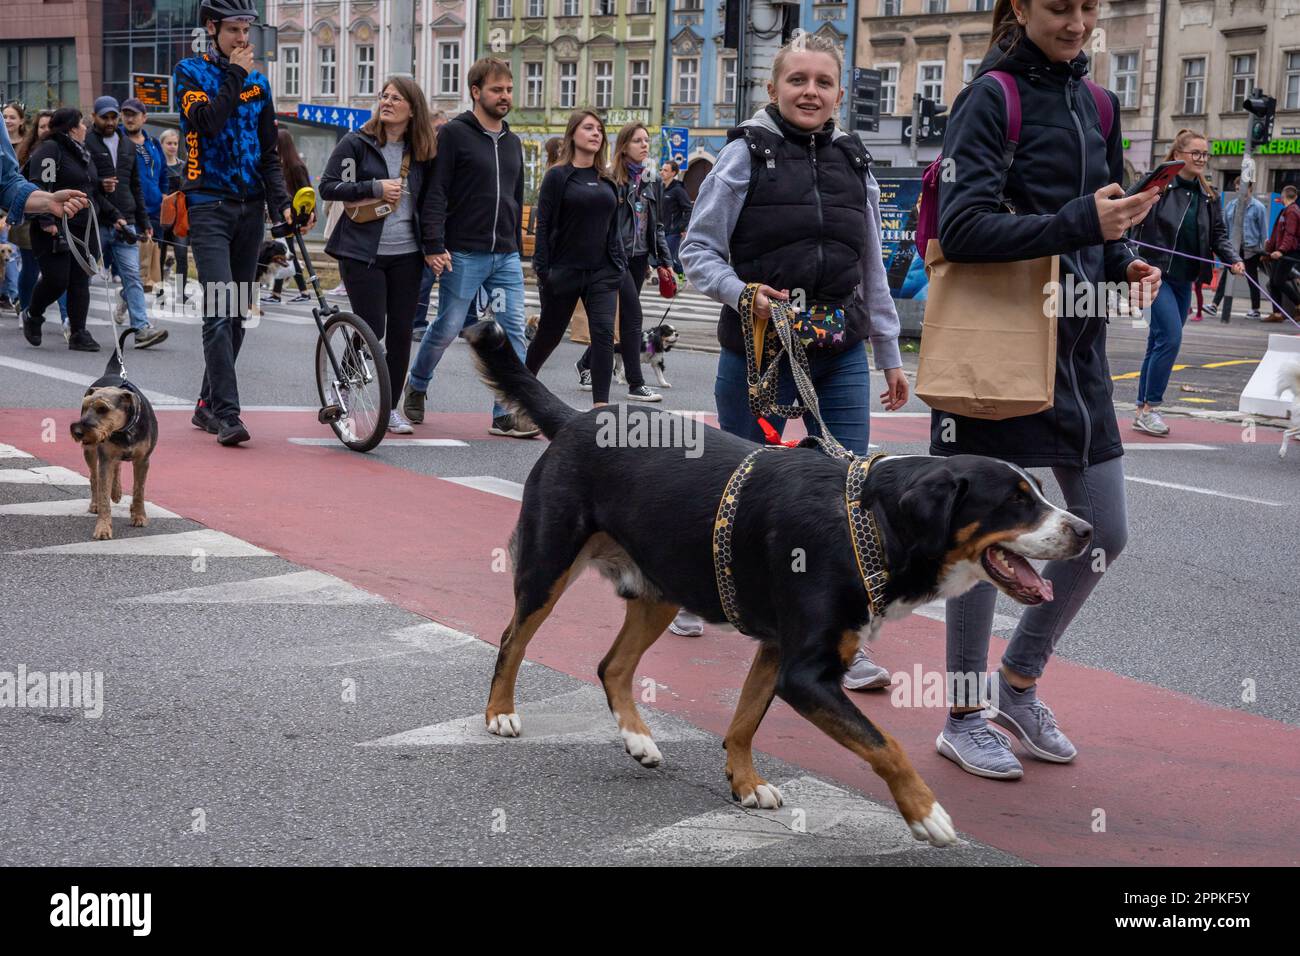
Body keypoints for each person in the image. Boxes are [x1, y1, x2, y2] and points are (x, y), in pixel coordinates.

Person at [930, 0, 1164, 778]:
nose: (1076, 21)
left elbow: (1103, 213)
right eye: (1059, 7)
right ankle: (963, 714)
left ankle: (1017, 683)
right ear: (1021, 8)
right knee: (982, 543)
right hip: (999, 350)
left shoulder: (1098, 100)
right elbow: (961, 229)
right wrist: (1077, 226)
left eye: (1088, 6)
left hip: (1079, 354)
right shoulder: (991, 96)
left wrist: (1123, 255)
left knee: (1108, 530)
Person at [676, 32, 908, 661]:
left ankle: (837, 641)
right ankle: (694, 591)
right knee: (740, 485)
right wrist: (741, 292)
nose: (810, 92)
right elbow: (696, 250)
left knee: (846, 495)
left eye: (823, 82)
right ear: (773, 88)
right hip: (760, 351)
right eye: (797, 80)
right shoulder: (745, 155)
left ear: (838, 93)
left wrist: (889, 353)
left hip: (839, 349)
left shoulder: (854, 161)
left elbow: (872, 269)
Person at [174, 0, 293, 446]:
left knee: (238, 310)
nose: (243, 39)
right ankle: (227, 413)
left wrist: (280, 203)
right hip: (208, 204)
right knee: (220, 307)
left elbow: (269, 152)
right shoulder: (190, 72)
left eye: (247, 30)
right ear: (212, 29)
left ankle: (206, 404)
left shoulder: (259, 83)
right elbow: (206, 122)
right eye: (234, 31)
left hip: (251, 207)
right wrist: (235, 75)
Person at [403, 57, 537, 438]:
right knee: (447, 327)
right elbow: (436, 193)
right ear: (476, 91)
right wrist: (434, 244)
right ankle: (417, 383)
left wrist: (517, 244)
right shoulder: (455, 135)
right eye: (497, 90)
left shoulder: (512, 142)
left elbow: (514, 196)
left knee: (512, 330)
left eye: (509, 90)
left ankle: (505, 412)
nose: (505, 96)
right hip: (463, 252)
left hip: (505, 256)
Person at [320, 75, 439, 435]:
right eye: (384, 96)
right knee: (372, 324)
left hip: (408, 253)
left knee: (402, 332)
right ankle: (343, 385)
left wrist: (434, 246)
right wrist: (373, 187)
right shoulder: (357, 143)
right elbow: (328, 186)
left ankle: (388, 408)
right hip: (361, 252)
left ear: (412, 108)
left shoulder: (421, 153)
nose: (387, 102)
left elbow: (432, 203)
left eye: (396, 98)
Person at [1130, 129, 1242, 435]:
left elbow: (1218, 234)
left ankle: (1141, 408)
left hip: (1184, 279)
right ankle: (1152, 407)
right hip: (1154, 275)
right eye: (1196, 153)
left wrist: (1232, 258)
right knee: (1170, 337)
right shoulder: (1160, 187)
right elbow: (1129, 205)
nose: (1202, 159)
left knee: (1158, 341)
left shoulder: (1209, 196)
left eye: (1205, 154)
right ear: (1178, 155)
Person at [524, 110, 626, 406]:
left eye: (600, 130)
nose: (596, 134)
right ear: (573, 134)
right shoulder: (558, 176)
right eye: (589, 128)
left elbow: (613, 227)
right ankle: (521, 392)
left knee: (604, 336)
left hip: (602, 273)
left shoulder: (607, 179)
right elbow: (543, 226)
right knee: (549, 336)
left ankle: (600, 409)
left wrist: (617, 265)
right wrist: (543, 271)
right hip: (564, 271)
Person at [573, 122, 671, 402]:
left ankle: (586, 363)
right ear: (624, 145)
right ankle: (635, 383)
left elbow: (657, 224)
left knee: (623, 319)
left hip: (640, 258)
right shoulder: (612, 178)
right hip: (616, 257)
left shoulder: (651, 180)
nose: (644, 145)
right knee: (633, 316)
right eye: (638, 140)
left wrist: (665, 260)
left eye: (647, 140)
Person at [19, 109, 114, 351]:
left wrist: (117, 217)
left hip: (83, 228)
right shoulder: (50, 150)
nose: (86, 128)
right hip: (54, 228)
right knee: (57, 280)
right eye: (83, 123)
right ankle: (34, 314)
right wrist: (46, 219)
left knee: (80, 281)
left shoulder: (83, 154)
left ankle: (79, 332)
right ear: (72, 127)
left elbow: (90, 192)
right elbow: (41, 186)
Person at [84, 95, 169, 349]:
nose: (110, 121)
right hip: (96, 220)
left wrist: (143, 222)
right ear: (94, 117)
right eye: (105, 117)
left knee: (132, 275)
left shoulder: (127, 145)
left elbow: (136, 186)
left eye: (113, 117)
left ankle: (141, 329)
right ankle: (73, 325)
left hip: (127, 220)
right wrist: (100, 185)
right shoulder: (85, 142)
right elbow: (84, 183)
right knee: (82, 274)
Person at [120, 98, 170, 296]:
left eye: (134, 114)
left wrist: (164, 194)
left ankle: (128, 298)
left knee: (151, 265)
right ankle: (133, 305)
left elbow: (163, 172)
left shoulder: (153, 143)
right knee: (134, 267)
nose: (129, 118)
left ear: (144, 117)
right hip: (131, 211)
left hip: (155, 210)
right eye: (126, 114)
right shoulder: (119, 141)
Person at [410, 109, 451, 341]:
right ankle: (416, 321)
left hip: (448, 227)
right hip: (425, 228)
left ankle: (464, 321)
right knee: (425, 279)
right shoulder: (424, 158)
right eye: (438, 129)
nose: (442, 133)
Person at [13, 109, 56, 316]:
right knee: (30, 268)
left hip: (56, 217)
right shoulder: (27, 153)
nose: (46, 130)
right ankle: (26, 308)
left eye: (50, 126)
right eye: (42, 126)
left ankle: (68, 320)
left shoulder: (62, 151)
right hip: (29, 219)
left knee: (57, 272)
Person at [1206, 177, 1267, 321]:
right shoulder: (1231, 205)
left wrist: (1264, 250)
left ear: (1250, 188)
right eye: (1237, 187)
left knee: (1252, 278)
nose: (1238, 190)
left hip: (1251, 249)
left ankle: (1255, 309)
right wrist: (1222, 247)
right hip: (1233, 248)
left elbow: (1263, 232)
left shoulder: (1258, 207)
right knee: (1226, 276)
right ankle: (1214, 305)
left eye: (1241, 187)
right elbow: (1224, 228)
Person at [264, 127, 313, 304]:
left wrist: (306, 215)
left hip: (290, 217)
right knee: (285, 253)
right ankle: (286, 293)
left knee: (286, 253)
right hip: (282, 217)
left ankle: (300, 292)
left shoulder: (295, 167)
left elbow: (307, 192)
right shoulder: (282, 166)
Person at [158, 127, 190, 295]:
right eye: (169, 143)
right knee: (160, 256)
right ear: (162, 144)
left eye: (175, 143)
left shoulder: (184, 167)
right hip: (162, 217)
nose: (172, 146)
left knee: (182, 255)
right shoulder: (158, 167)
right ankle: (159, 290)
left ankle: (181, 293)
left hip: (180, 219)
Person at [2, 102, 27, 310]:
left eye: (12, 117)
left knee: (12, 254)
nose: (8, 120)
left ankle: (16, 295)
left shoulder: (28, 145)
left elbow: (10, 180)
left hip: (15, 210)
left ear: (22, 120)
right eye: (5, 116)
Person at [1263, 184, 1300, 322]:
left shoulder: (1292, 212)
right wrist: (1268, 252)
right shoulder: (1286, 211)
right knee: (1273, 282)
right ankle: (1277, 313)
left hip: (1289, 252)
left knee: (1278, 281)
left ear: (1283, 197)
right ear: (1295, 197)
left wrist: (1281, 250)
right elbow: (1275, 235)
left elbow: (1290, 234)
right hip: (1283, 251)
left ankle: (1298, 304)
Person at [659, 159, 692, 280]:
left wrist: (681, 227)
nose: (662, 172)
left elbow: (689, 209)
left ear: (673, 173)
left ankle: (675, 280)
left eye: (665, 170)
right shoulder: (661, 188)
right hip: (661, 230)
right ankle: (681, 277)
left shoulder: (678, 190)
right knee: (669, 258)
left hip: (673, 231)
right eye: (661, 169)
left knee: (666, 257)